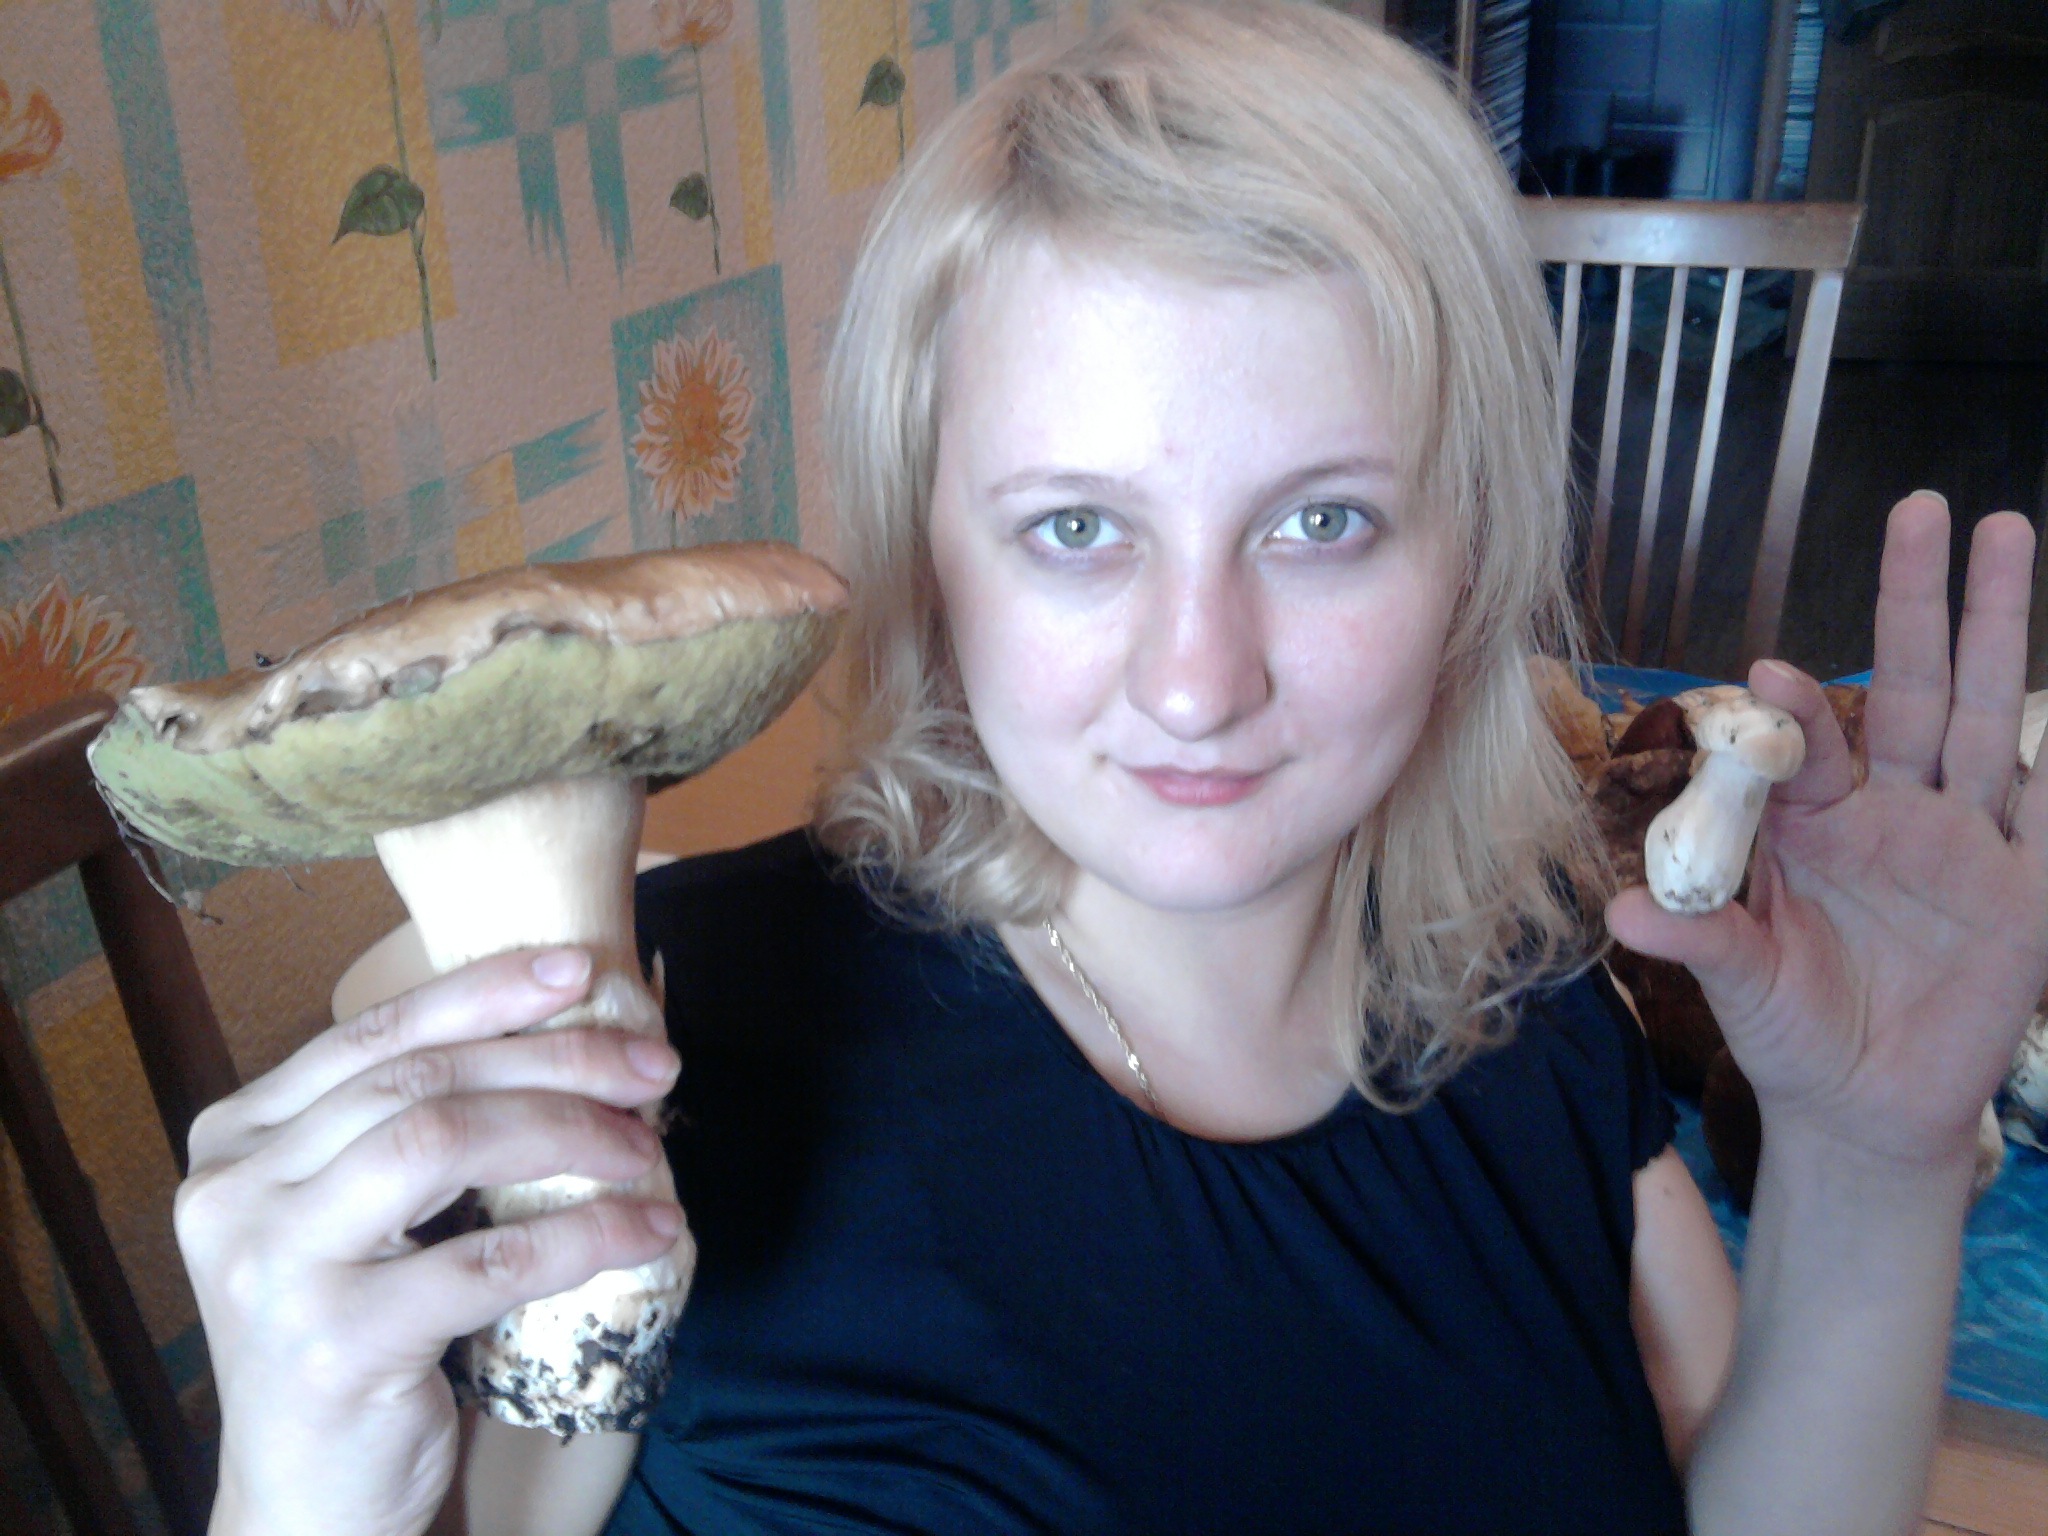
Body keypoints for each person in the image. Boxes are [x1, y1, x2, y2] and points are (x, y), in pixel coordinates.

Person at [173, 3, 2048, 1533]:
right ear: (935, 564)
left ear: (1471, 553)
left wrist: (1875, 1166)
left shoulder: (1539, 993)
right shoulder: (652, 1058)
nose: (1197, 679)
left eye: (1320, 519)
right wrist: (295, 1499)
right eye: (1076, 529)